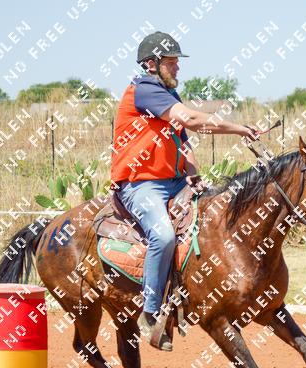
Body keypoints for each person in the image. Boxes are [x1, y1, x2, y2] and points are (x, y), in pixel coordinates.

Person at [110, 31, 258, 351]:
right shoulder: (144, 90)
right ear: (151, 64)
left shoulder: (167, 95)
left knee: (216, 215)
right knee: (163, 236)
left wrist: (194, 175)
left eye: (177, 62)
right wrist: (239, 129)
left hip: (175, 181)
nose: (177, 67)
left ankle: (199, 291)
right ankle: (150, 312)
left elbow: (182, 141)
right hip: (140, 184)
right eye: (171, 62)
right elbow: (190, 119)